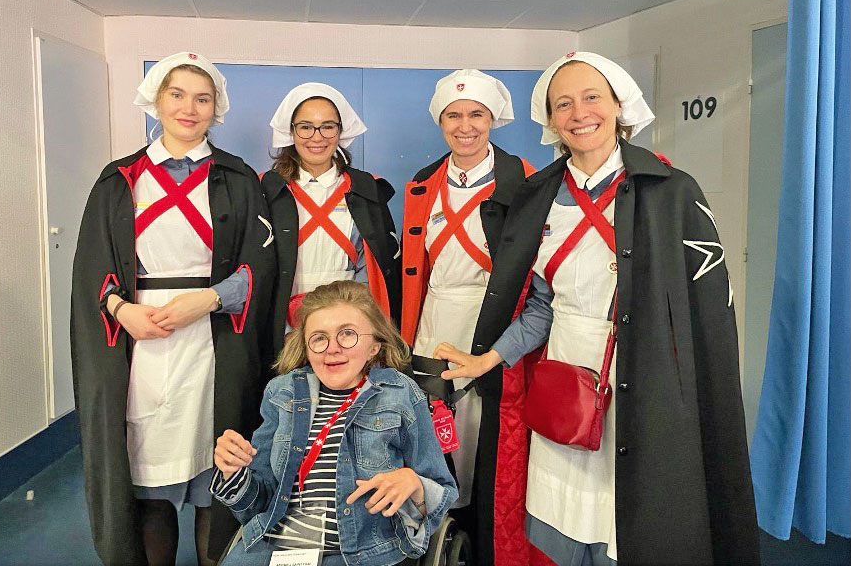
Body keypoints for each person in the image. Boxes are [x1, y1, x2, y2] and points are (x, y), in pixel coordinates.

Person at [436, 52, 760, 565]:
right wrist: (489, 359)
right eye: (563, 103)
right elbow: (541, 307)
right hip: (563, 379)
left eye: (592, 97)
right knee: (561, 522)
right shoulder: (537, 196)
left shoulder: (670, 191)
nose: (579, 113)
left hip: (644, 381)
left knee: (631, 519)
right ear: (551, 119)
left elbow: (703, 316)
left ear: (618, 105)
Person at [71, 52, 281, 565]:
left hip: (215, 339)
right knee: (149, 476)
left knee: (218, 469)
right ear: (156, 101)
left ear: (216, 109)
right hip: (141, 346)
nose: (189, 108)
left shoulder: (238, 178)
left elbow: (260, 262)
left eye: (202, 98)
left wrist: (210, 299)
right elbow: (93, 262)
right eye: (177, 94)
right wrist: (121, 310)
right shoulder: (119, 179)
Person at [210, 280, 457, 565]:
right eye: (319, 338)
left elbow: (442, 489)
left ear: (375, 345)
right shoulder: (282, 392)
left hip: (361, 553)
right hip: (274, 547)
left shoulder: (401, 393)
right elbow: (257, 504)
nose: (332, 349)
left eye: (347, 334)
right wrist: (233, 472)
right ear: (306, 347)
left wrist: (414, 484)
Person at [400, 69, 536, 566]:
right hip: (433, 320)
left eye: (476, 114)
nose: (465, 126)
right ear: (440, 122)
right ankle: (438, 536)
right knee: (436, 427)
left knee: (488, 435)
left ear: (493, 119)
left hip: (493, 318)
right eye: (453, 116)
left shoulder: (527, 181)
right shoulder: (422, 185)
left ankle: (484, 537)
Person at [262, 82, 401, 353]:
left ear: (340, 131)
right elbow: (259, 268)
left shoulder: (366, 188)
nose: (317, 137)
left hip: (348, 325)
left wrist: (353, 326)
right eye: (306, 127)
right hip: (283, 325)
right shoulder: (266, 190)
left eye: (328, 126)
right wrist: (283, 329)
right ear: (291, 131)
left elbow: (371, 267)